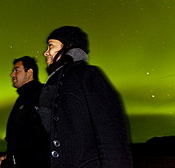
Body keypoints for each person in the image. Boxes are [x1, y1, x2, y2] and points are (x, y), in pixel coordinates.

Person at [38, 26, 133, 168]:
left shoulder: (87, 75)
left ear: (67, 46)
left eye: (50, 45)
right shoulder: (54, 86)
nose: (45, 53)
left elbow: (111, 132)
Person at [0, 56, 49, 168]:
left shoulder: (40, 95)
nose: (12, 74)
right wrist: (10, 156)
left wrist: (17, 159)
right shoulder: (23, 98)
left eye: (17, 70)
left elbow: (41, 136)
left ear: (29, 72)